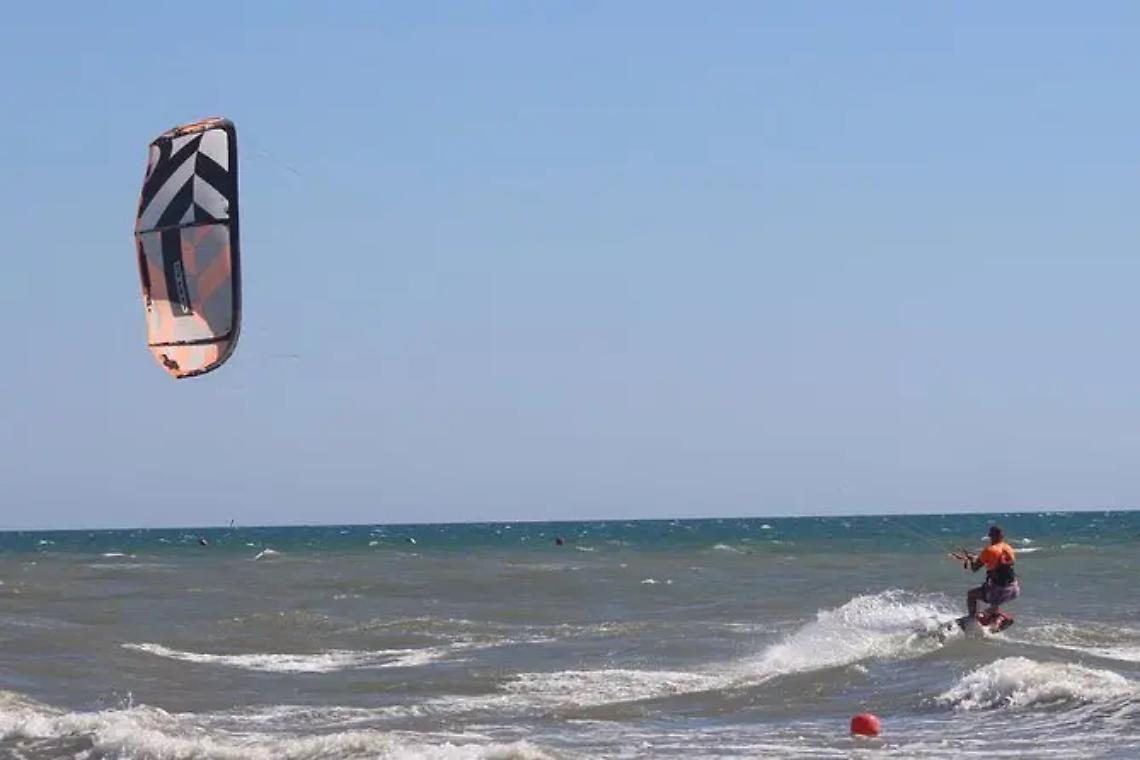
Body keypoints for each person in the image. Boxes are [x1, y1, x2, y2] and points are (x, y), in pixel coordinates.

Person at [952, 524, 1019, 618]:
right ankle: (994, 615)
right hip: (1013, 590)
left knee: (971, 595)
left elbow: (975, 568)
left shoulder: (989, 550)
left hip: (998, 592)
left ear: (990, 536)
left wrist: (969, 560)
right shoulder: (1008, 548)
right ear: (1002, 536)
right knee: (994, 592)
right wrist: (975, 558)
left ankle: (972, 619)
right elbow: (996, 563)